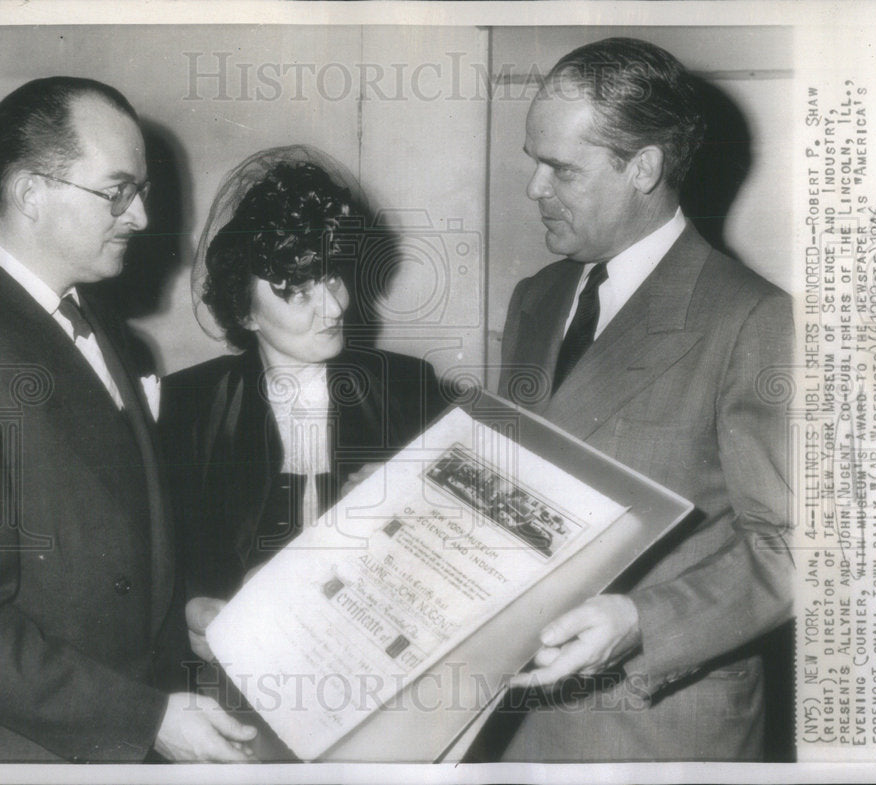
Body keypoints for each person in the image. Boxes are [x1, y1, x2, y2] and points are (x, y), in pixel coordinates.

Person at [0, 76, 257, 762]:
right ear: (30, 193)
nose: (140, 217)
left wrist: (184, 620)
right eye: (117, 191)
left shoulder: (95, 326)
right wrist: (147, 718)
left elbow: (114, 547)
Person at [492, 38, 793, 760]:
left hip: (655, 731)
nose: (534, 187)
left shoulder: (754, 319)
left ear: (645, 168)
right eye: (534, 159)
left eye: (560, 168)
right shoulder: (536, 299)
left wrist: (641, 621)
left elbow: (793, 548)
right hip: (516, 722)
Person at [160, 148, 445, 627]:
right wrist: (190, 613)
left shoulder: (409, 387)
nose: (334, 308)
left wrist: (407, 498)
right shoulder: (186, 404)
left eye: (331, 277)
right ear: (244, 312)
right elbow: (161, 563)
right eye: (297, 292)